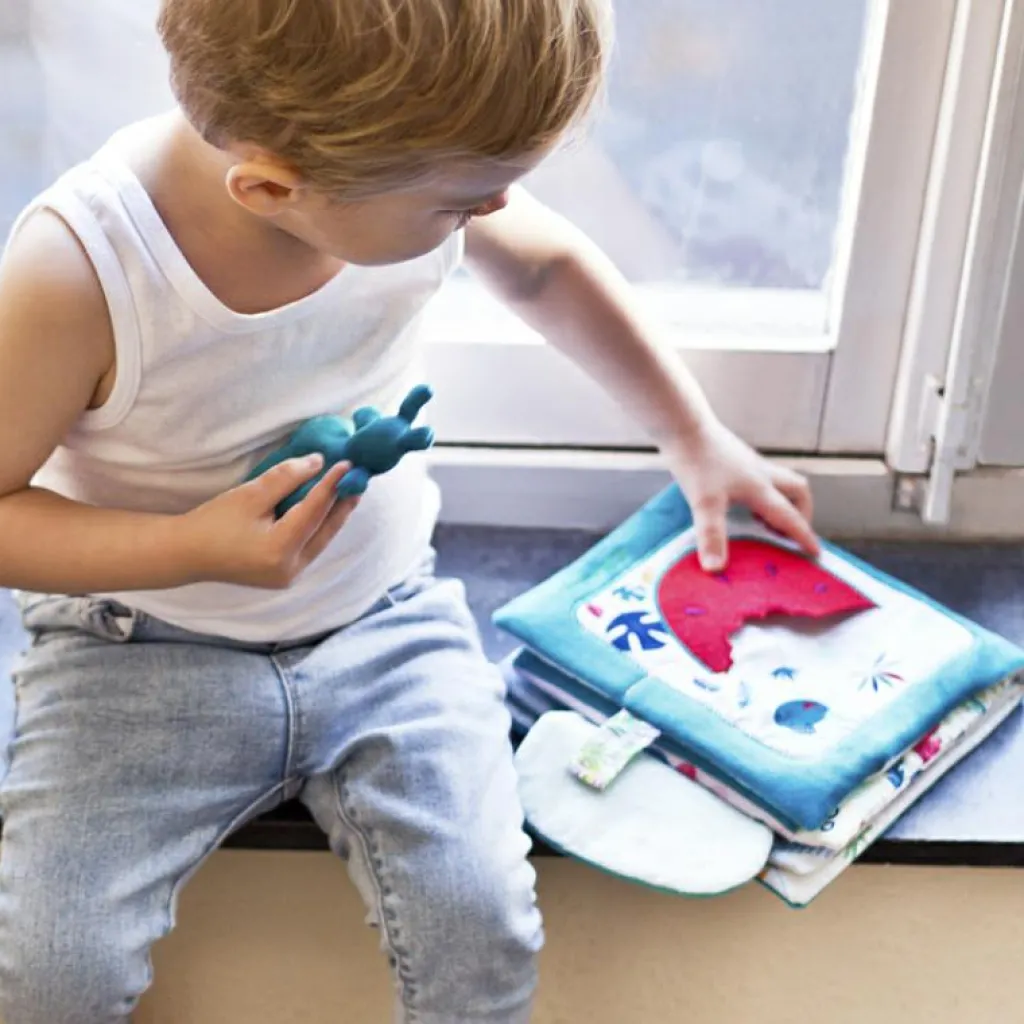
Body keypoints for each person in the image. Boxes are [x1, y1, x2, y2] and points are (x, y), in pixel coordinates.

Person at [0, 1, 818, 1021]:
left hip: (385, 626)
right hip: (135, 649)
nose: (497, 208)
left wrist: (695, 438)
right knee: (52, 974)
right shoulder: (81, 270)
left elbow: (547, 264)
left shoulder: (398, 172)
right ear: (273, 188)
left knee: (485, 928)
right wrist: (186, 547)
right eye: (464, 205)